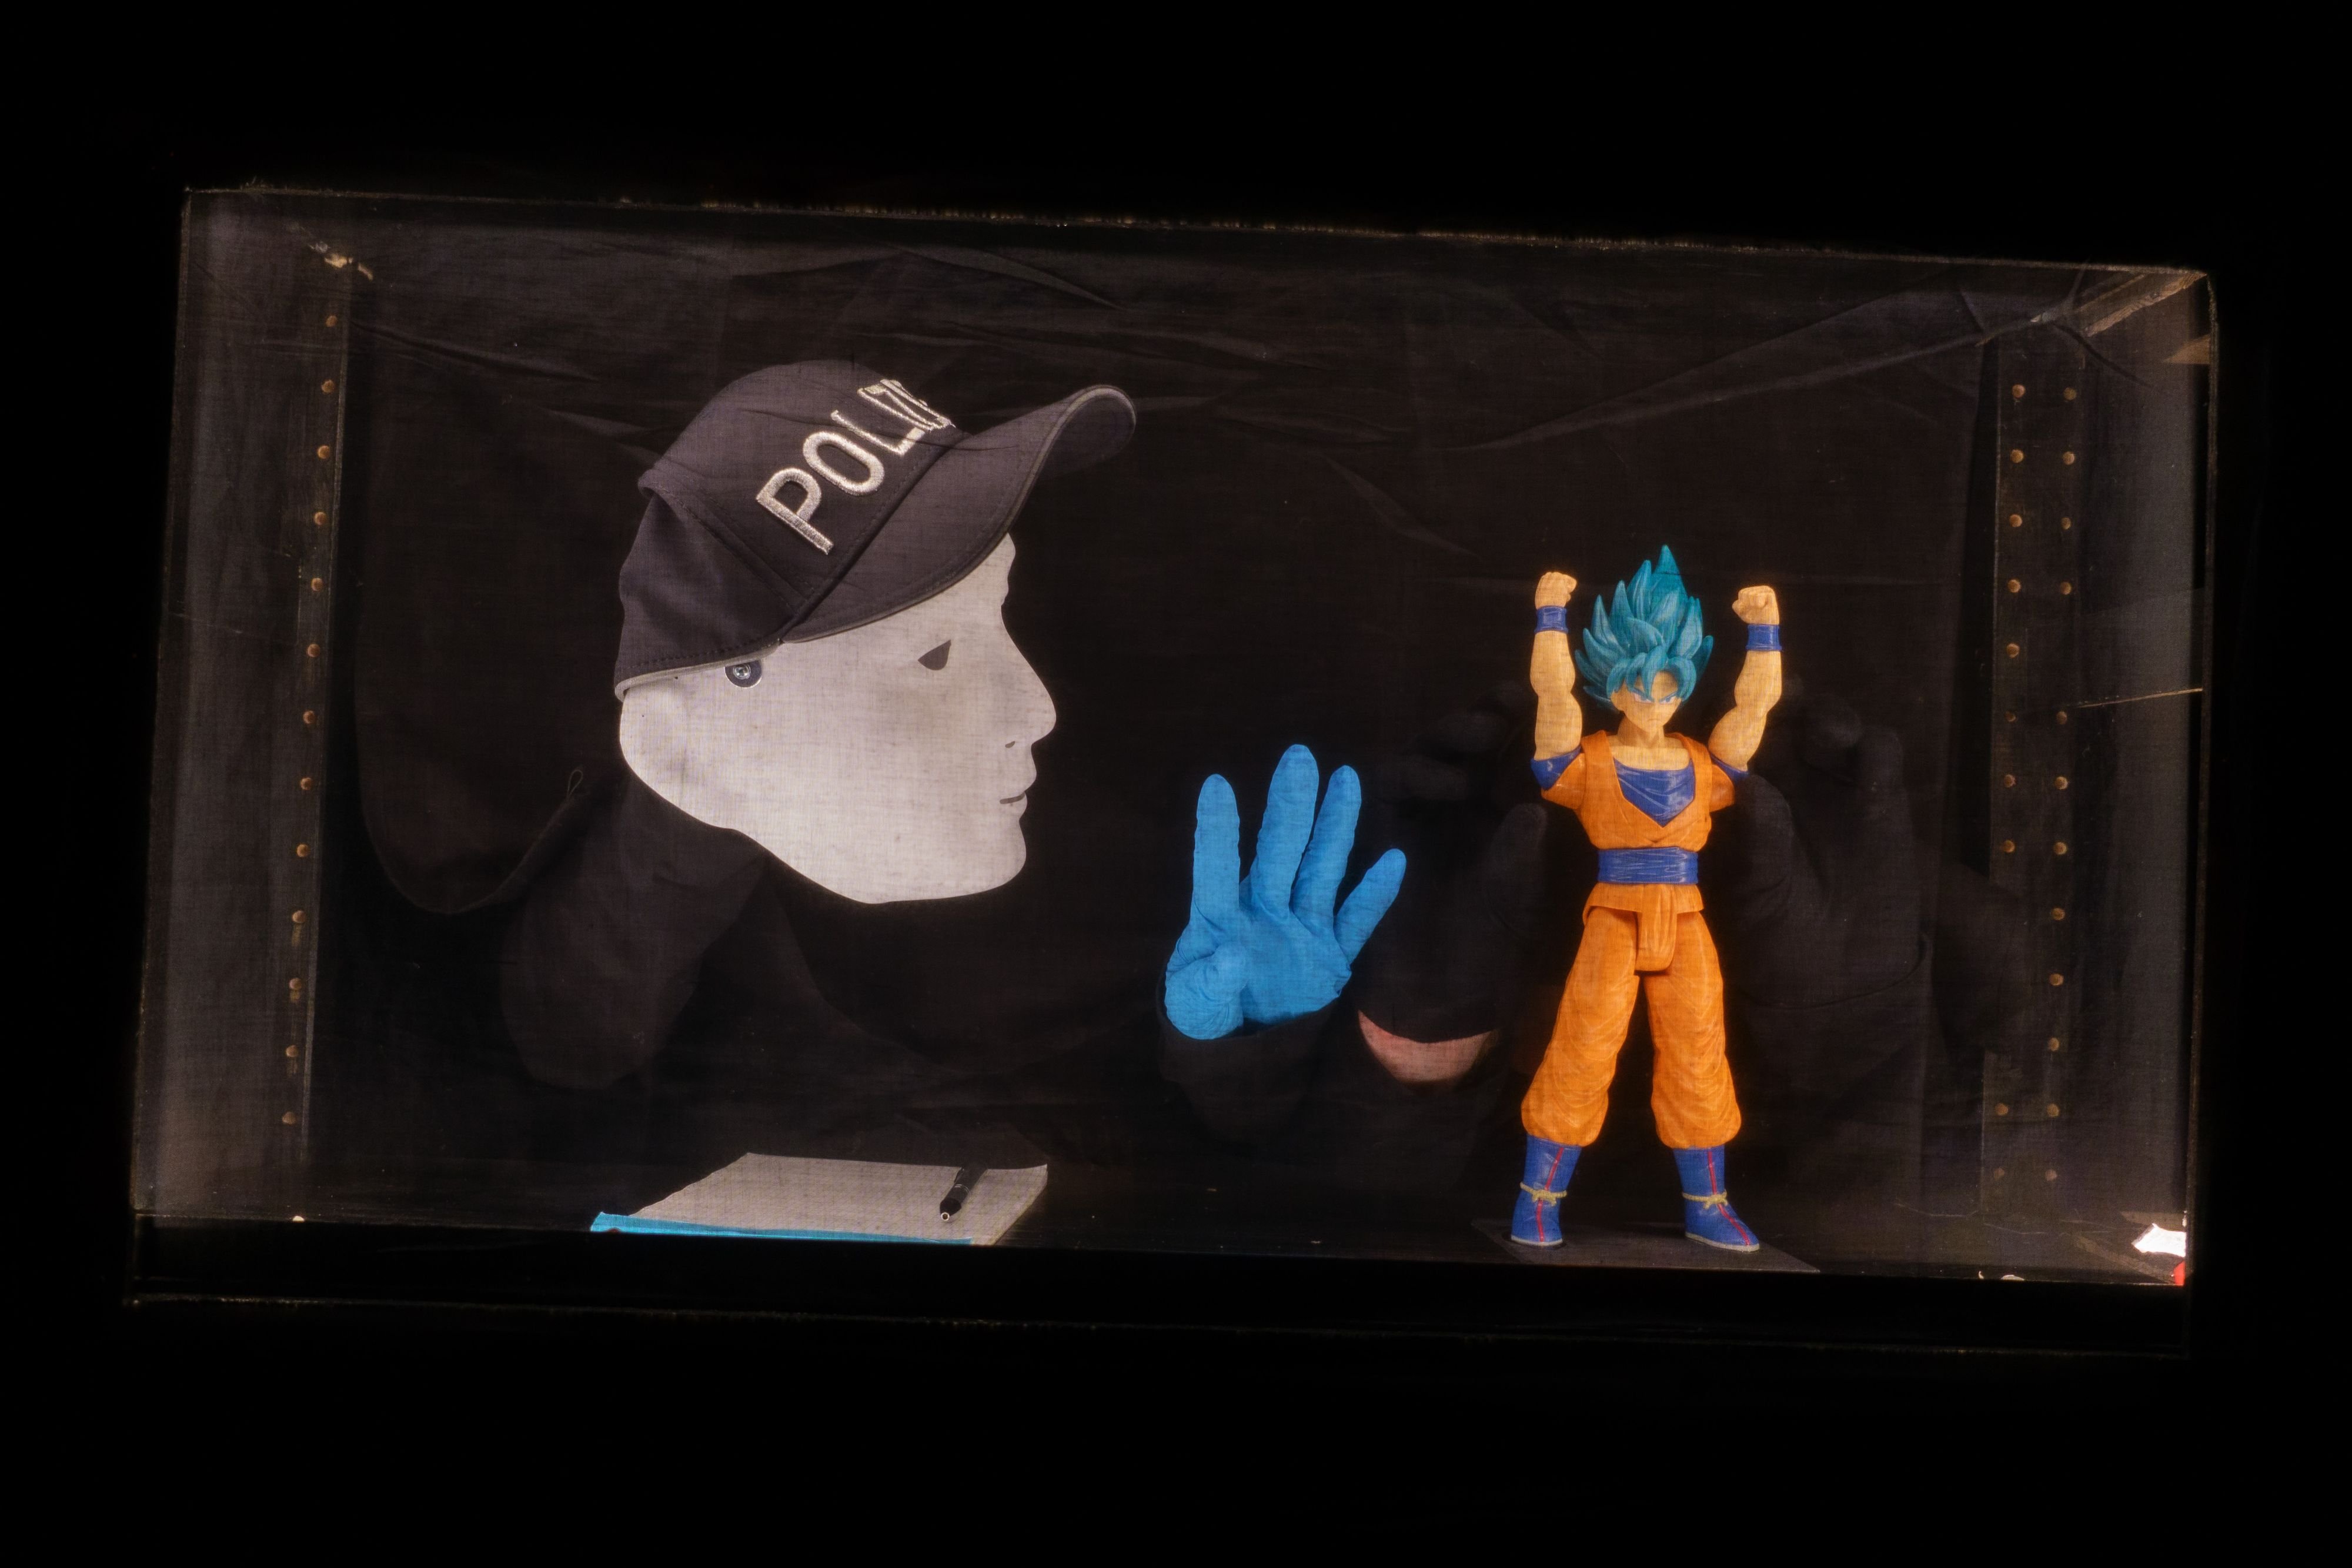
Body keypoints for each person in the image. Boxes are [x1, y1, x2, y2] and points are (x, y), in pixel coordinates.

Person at [1509, 547, 1783, 1252]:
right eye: (1642, 686)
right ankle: (1537, 1200)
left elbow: (1754, 707)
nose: (1657, 700)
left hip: (1685, 918)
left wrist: (1764, 633)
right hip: (1614, 914)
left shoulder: (1702, 761)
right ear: (1615, 685)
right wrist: (1549, 617)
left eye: (1669, 687)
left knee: (1698, 1051)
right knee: (1583, 1046)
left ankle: (1708, 1204)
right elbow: (1552, 699)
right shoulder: (1587, 760)